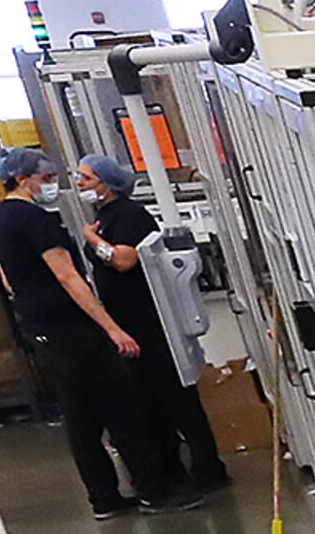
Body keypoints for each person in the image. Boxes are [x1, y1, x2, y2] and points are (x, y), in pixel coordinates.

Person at [0, 146, 183, 518]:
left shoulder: (0, 219)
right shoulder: (36, 221)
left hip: (40, 327)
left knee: (80, 416)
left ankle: (103, 498)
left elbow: (8, 278)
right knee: (121, 406)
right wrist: (110, 327)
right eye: (45, 179)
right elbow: (68, 277)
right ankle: (154, 490)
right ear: (21, 179)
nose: (54, 185)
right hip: (71, 328)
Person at [70, 154, 233, 492]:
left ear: (106, 182)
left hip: (150, 321)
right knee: (150, 400)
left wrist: (93, 241)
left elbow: (124, 260)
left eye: (86, 178)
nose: (80, 184)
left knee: (176, 397)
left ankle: (208, 468)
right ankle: (172, 466)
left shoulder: (129, 215)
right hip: (128, 320)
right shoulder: (105, 216)